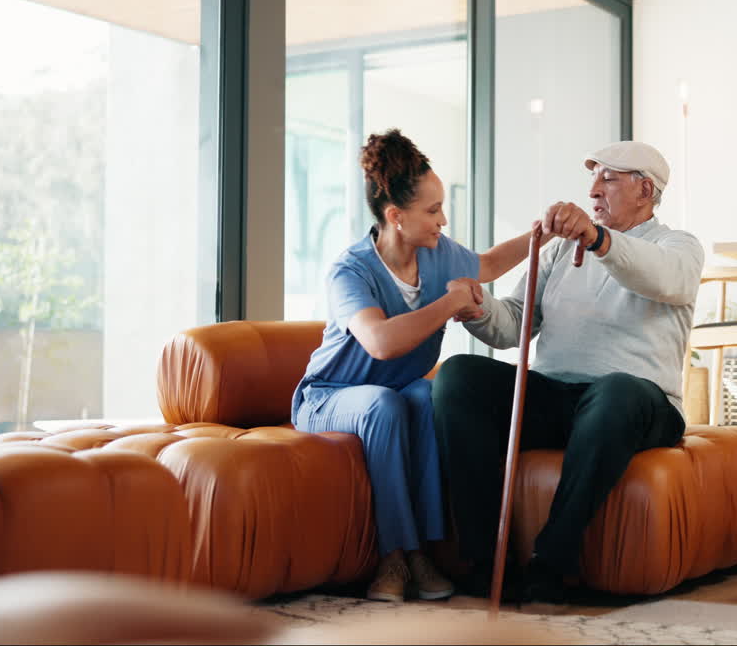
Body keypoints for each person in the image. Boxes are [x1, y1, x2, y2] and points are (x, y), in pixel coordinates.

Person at [432, 140, 704, 603]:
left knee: (616, 391)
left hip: (637, 404)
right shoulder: (560, 252)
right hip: (558, 397)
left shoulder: (677, 246)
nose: (594, 189)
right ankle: (481, 561)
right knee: (458, 375)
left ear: (645, 189)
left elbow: (660, 277)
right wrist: (477, 308)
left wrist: (598, 241)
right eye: (593, 177)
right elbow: (515, 323)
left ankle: (552, 561)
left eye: (609, 178)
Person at [292, 129, 537, 603]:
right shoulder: (351, 271)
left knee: (429, 396)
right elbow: (381, 343)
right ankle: (393, 557)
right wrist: (447, 306)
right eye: (432, 210)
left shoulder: (437, 253)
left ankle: (424, 552)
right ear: (395, 217)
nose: (443, 219)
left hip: (401, 391)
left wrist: (539, 234)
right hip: (328, 397)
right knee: (383, 405)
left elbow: (486, 264)